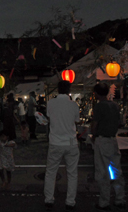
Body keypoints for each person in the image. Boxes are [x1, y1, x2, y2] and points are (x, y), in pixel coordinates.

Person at [44, 81, 80, 211]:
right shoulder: (74, 105)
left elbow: (48, 118)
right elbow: (77, 120)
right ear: (69, 89)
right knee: (72, 173)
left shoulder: (51, 103)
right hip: (71, 142)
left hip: (55, 142)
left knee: (51, 172)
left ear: (57, 89)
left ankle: (49, 199)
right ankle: (70, 201)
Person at [91, 83, 126, 211]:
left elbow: (95, 124)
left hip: (102, 140)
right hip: (113, 140)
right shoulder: (114, 106)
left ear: (97, 93)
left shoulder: (99, 106)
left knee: (102, 171)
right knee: (116, 170)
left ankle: (104, 201)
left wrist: (93, 135)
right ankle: (120, 198)